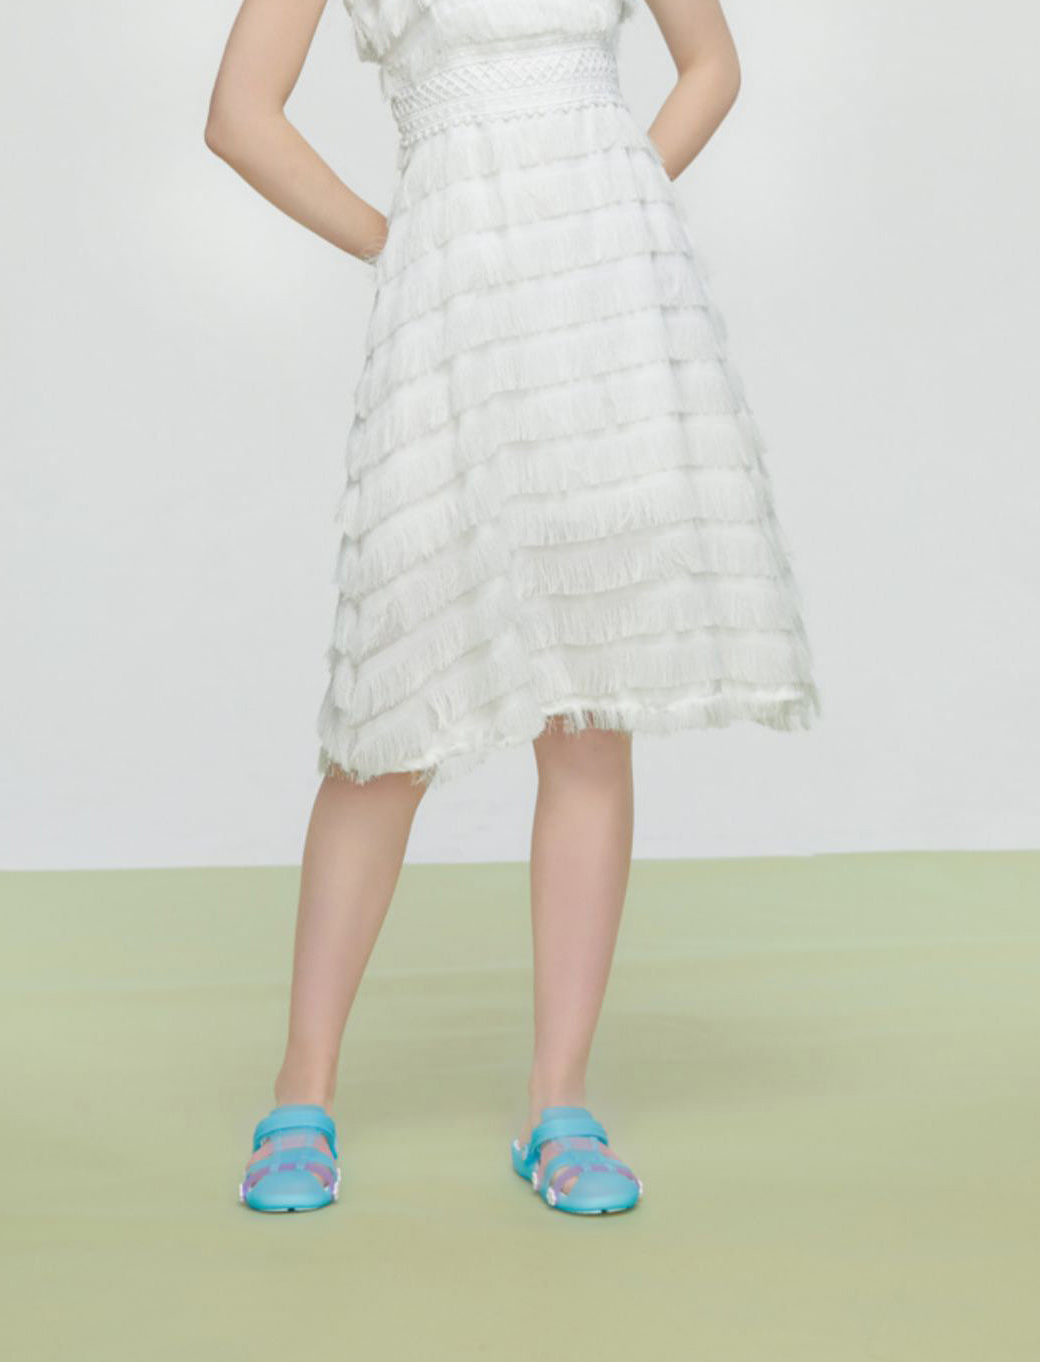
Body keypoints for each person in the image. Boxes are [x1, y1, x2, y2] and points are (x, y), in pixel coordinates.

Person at [205, 0, 819, 1215]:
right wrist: (402, 244)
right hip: (455, 310)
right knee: (391, 718)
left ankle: (559, 1104)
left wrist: (609, 208)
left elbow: (711, 64)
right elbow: (239, 115)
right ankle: (300, 1093)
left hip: (609, 310)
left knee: (588, 711)